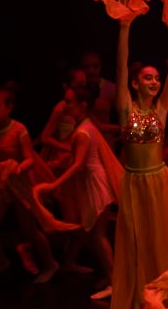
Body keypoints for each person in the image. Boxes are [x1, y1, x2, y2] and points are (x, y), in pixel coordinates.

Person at [94, 0, 168, 309]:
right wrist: (124, 28)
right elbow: (120, 67)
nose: (154, 82)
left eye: (156, 78)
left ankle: (155, 306)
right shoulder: (126, 109)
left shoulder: (161, 110)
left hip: (159, 181)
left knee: (159, 244)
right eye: (147, 78)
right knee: (135, 245)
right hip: (134, 182)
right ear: (136, 84)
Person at [32, 84, 121, 283]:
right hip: (91, 183)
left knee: (98, 236)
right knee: (95, 235)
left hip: (95, 185)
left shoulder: (83, 131)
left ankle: (115, 280)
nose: (64, 105)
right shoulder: (85, 126)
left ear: (82, 105)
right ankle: (112, 277)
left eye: (69, 102)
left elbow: (79, 164)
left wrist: (54, 185)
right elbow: (79, 159)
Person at [0, 84, 61, 285]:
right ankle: (1, 262)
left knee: (29, 230)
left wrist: (17, 168)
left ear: (9, 107)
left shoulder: (19, 130)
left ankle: (50, 264)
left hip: (20, 183)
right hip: (1, 184)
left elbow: (29, 158)